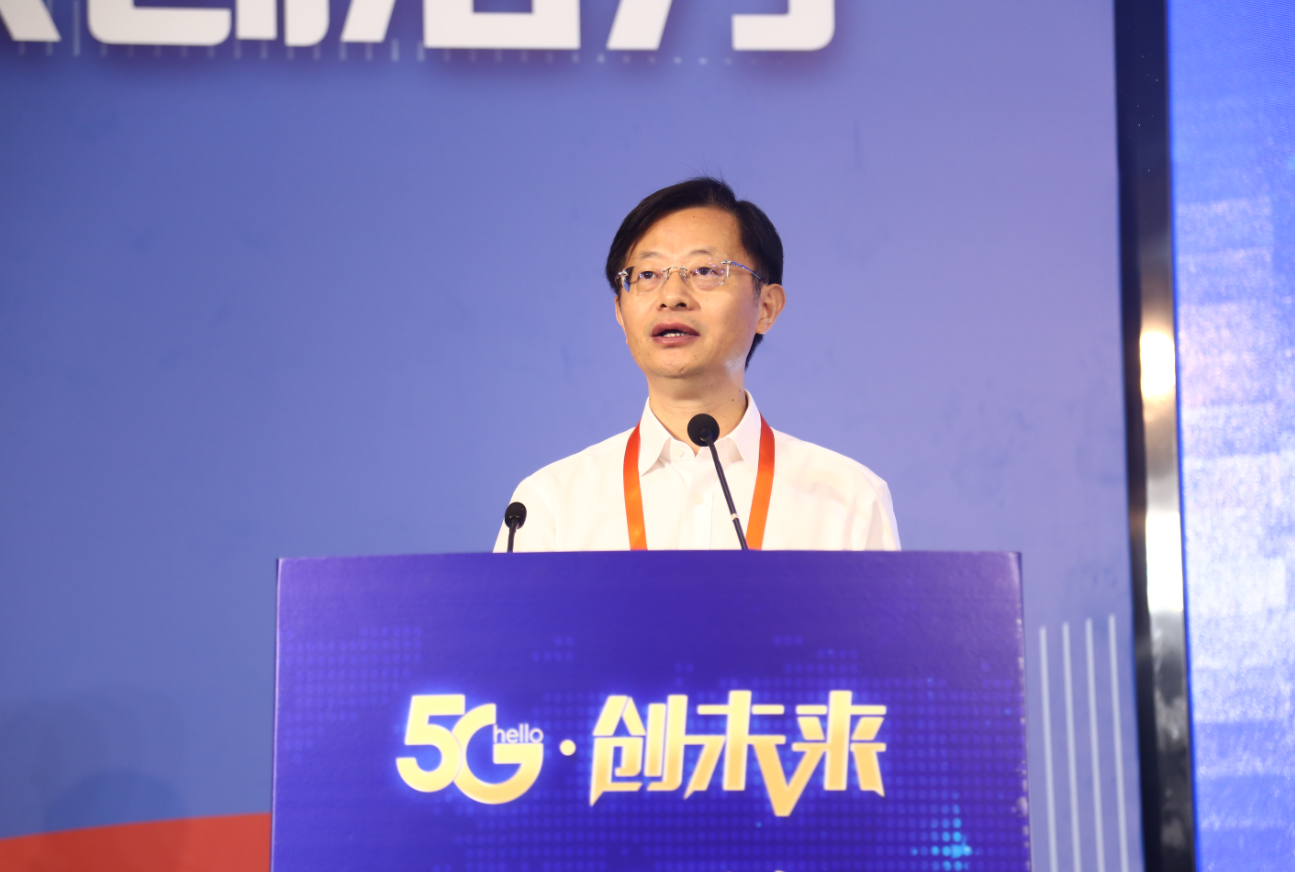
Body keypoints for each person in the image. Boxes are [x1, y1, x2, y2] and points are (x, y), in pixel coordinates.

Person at [493, 178, 899, 552]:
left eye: (705, 271)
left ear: (766, 307)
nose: (672, 296)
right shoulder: (549, 505)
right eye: (647, 274)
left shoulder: (847, 500)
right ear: (620, 312)